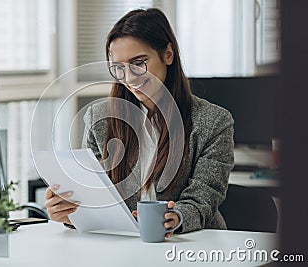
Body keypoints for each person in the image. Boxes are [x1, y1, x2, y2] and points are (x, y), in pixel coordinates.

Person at [45, 8, 234, 235]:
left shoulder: (214, 122)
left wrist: (175, 217)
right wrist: (70, 213)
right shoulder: (100, 119)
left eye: (139, 63)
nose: (130, 78)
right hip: (123, 244)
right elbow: (97, 198)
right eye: (119, 68)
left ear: (168, 55)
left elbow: (203, 199)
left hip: (189, 245)